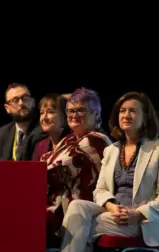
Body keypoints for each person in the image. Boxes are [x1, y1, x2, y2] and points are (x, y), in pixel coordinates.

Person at [60, 91, 159, 252]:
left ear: (145, 118)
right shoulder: (111, 150)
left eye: (133, 111)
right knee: (77, 208)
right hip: (115, 214)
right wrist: (111, 206)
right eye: (122, 111)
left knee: (79, 223)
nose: (126, 115)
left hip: (144, 222)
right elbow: (100, 190)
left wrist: (137, 214)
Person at [41, 87, 112, 248]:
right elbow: (44, 161)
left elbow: (53, 170)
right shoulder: (69, 139)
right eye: (70, 110)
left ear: (96, 115)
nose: (74, 115)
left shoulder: (96, 140)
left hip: (80, 211)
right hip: (58, 207)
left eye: (80, 110)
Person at [0, 82, 47, 160]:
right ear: (7, 108)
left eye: (25, 98)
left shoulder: (45, 129)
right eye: (15, 100)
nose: (21, 103)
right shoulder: (2, 134)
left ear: (33, 102)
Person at [31, 93, 71, 161]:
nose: (44, 117)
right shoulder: (40, 146)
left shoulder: (74, 142)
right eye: (42, 113)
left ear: (64, 116)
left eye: (50, 112)